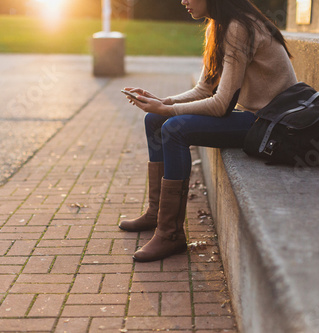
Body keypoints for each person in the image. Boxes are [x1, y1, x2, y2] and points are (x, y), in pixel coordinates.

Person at [120, 0, 297, 262]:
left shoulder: (240, 28)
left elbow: (221, 104)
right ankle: (157, 212)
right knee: (153, 119)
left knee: (174, 129)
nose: (183, 1)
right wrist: (163, 102)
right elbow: (205, 89)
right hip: (253, 117)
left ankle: (170, 233)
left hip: (271, 124)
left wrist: (167, 110)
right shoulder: (220, 26)